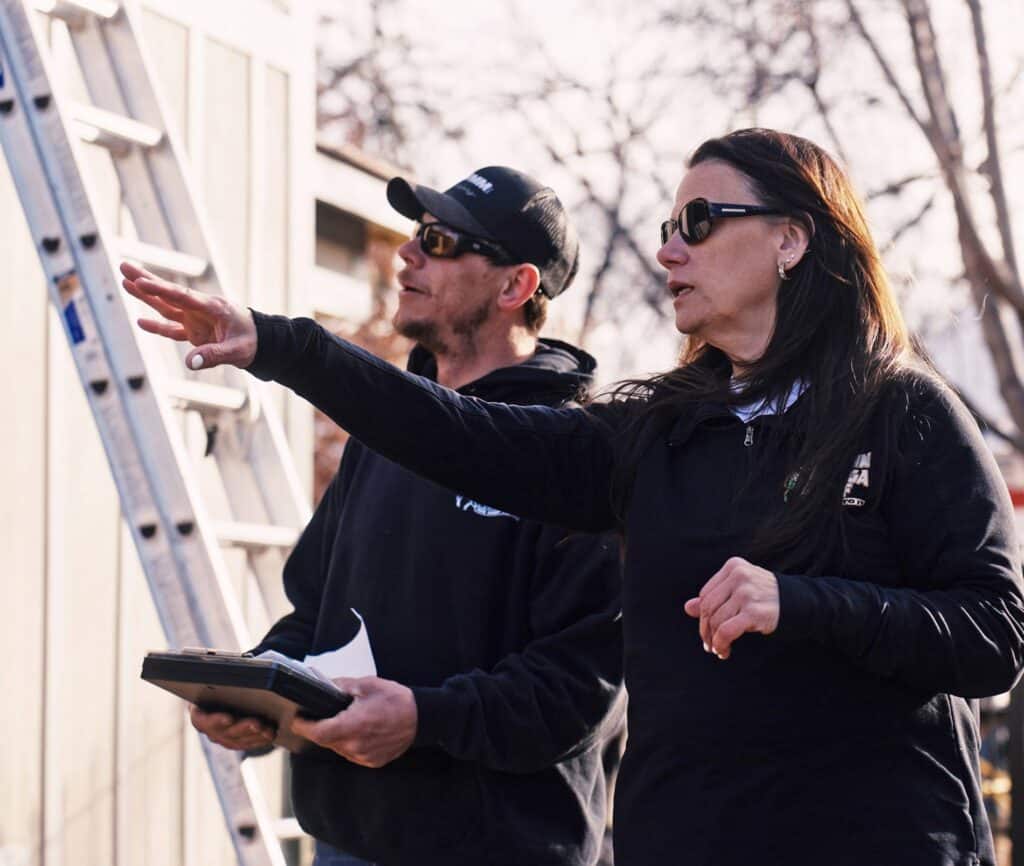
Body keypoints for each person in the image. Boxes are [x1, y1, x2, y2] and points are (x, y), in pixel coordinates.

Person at [122, 128, 1024, 866]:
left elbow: (996, 634)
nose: (668, 248)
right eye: (669, 225)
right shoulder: (657, 433)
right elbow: (458, 434)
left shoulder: (902, 411)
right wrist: (279, 345)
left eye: (699, 221)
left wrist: (801, 604)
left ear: (792, 239)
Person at [126, 166, 625, 866]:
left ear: (516, 286)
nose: (406, 253)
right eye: (416, 233)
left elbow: (578, 688)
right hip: (347, 840)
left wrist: (423, 719)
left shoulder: (572, 453)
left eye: (440, 241)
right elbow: (316, 613)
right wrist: (263, 697)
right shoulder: (384, 433)